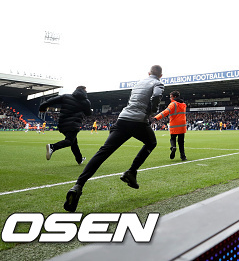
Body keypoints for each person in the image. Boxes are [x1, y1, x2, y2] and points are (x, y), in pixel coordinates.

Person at [64, 65, 165, 212]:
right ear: (161, 75)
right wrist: (152, 110)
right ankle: (131, 172)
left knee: (103, 152)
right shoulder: (158, 83)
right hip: (138, 121)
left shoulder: (138, 83)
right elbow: (156, 96)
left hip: (123, 119)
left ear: (148, 73)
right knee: (151, 142)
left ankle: (78, 185)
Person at [39, 86, 92, 165]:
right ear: (84, 91)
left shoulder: (66, 97)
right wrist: (89, 110)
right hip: (74, 124)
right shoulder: (86, 102)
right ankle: (53, 147)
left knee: (74, 142)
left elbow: (51, 100)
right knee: (70, 141)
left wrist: (42, 107)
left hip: (62, 123)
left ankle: (79, 159)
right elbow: (88, 114)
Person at [154, 91, 188, 161]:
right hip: (182, 125)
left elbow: (166, 112)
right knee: (181, 142)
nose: (170, 98)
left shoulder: (173, 104)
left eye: (171, 97)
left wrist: (156, 118)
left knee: (173, 138)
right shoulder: (183, 104)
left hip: (174, 125)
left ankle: (173, 147)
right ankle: (183, 156)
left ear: (174, 97)